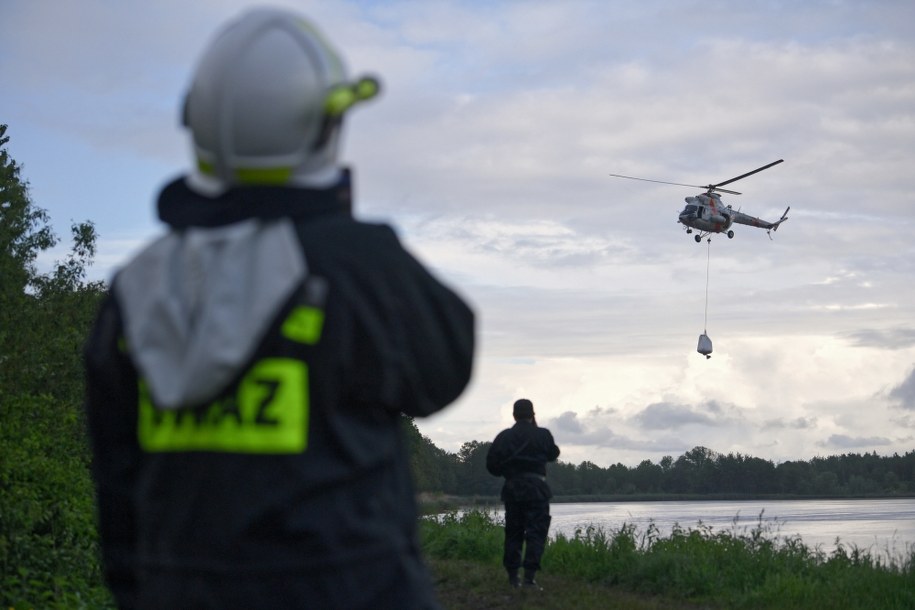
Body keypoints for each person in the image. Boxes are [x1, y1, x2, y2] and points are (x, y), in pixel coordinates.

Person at [83, 8, 474, 609]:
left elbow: (116, 476)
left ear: (198, 125)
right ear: (326, 127)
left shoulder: (136, 289)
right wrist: (336, 225)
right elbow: (444, 371)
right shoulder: (361, 266)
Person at [486, 398, 560, 589]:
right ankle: (529, 578)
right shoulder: (542, 434)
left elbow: (492, 466)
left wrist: (507, 471)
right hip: (537, 489)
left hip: (513, 489)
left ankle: (513, 578)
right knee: (536, 532)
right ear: (532, 414)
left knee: (513, 532)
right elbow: (553, 454)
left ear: (514, 415)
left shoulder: (504, 437)